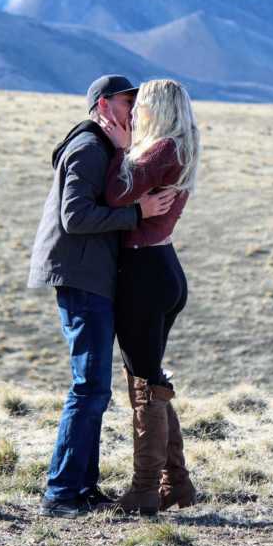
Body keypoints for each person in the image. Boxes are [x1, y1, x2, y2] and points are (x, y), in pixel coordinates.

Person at [27, 75, 178, 518]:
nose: (133, 107)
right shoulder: (89, 148)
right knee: (89, 387)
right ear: (103, 105)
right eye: (126, 100)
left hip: (91, 275)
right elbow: (74, 217)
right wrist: (137, 212)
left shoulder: (103, 147)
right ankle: (61, 493)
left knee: (93, 388)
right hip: (81, 276)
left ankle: (82, 488)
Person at [99, 79, 200, 515]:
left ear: (156, 107)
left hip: (145, 273)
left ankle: (144, 492)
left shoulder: (160, 150)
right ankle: (174, 483)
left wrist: (121, 149)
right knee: (152, 382)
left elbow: (115, 195)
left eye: (140, 106)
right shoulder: (181, 147)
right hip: (162, 268)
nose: (134, 113)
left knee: (144, 386)